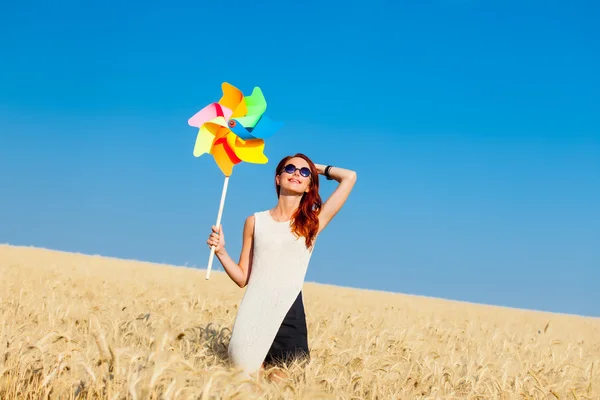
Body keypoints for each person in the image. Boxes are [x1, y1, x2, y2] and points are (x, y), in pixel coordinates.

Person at [206, 153, 357, 378]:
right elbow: (242, 278)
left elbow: (349, 177)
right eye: (289, 169)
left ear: (309, 186)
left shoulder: (311, 223)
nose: (297, 172)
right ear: (277, 179)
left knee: (284, 383)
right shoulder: (255, 221)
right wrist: (221, 252)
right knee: (247, 383)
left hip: (289, 314)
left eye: (304, 172)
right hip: (253, 314)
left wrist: (313, 166)